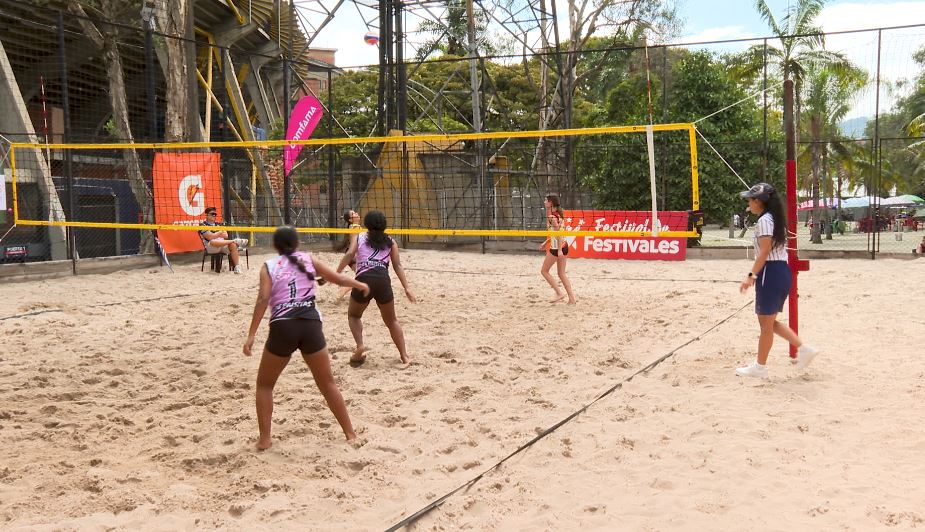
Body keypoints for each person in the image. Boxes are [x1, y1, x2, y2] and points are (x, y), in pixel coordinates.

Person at [243, 226, 370, 449]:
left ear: (275, 246)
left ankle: (264, 439)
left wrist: (251, 335)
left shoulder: (269, 266)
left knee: (264, 385)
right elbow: (337, 278)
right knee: (327, 384)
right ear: (298, 243)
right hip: (310, 325)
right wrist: (358, 283)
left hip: (283, 328)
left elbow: (263, 300)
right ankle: (350, 433)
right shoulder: (308, 259)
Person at [737, 183, 820, 379]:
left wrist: (751, 276)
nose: (749, 203)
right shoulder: (772, 218)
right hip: (779, 271)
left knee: (766, 325)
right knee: (770, 322)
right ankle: (804, 349)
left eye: (750, 199)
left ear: (759, 201)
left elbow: (764, 252)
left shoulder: (765, 220)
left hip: (771, 272)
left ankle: (760, 367)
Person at [336, 210, 416, 366]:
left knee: (354, 315)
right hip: (382, 281)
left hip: (363, 280)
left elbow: (349, 254)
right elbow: (397, 265)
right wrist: (407, 287)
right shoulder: (391, 242)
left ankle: (360, 346)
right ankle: (404, 356)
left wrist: (336, 273)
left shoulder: (359, 237)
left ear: (367, 224)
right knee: (392, 321)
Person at [539, 193, 577, 304]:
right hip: (565, 246)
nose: (544, 202)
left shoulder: (551, 217)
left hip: (557, 248)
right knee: (561, 273)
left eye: (546, 200)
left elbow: (559, 234)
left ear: (551, 202)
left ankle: (559, 293)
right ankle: (572, 299)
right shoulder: (559, 214)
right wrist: (546, 242)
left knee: (544, 271)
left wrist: (559, 250)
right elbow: (555, 233)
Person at [199, 207, 248, 274]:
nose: (214, 216)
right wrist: (219, 232)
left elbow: (226, 235)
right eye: (212, 214)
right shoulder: (202, 225)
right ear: (207, 215)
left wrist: (215, 234)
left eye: (215, 214)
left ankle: (237, 267)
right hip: (211, 247)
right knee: (213, 241)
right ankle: (235, 240)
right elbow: (210, 237)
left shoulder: (218, 224)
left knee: (232, 245)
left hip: (222, 245)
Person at [336, 209, 363, 300]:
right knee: (362, 277)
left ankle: (344, 288)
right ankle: (344, 289)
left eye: (356, 212)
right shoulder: (355, 227)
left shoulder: (354, 226)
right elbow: (354, 244)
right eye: (354, 213)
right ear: (350, 220)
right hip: (353, 255)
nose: (357, 213)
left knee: (361, 276)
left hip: (352, 254)